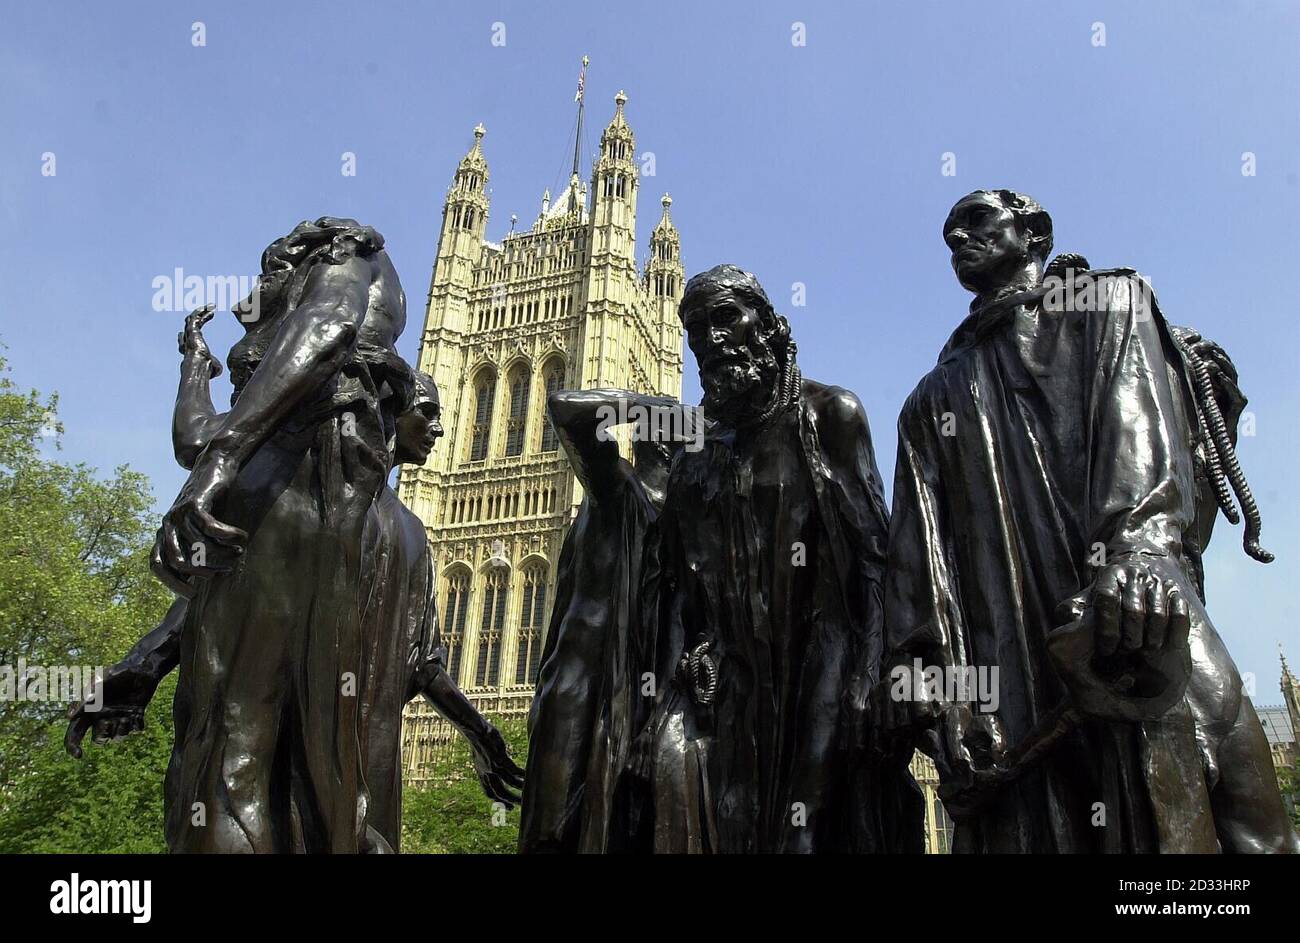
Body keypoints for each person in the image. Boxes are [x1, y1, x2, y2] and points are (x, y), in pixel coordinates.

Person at [883, 190, 1298, 852]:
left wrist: (1137, 553)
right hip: (1017, 676)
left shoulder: (1110, 303)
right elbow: (917, 569)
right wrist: (943, 697)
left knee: (1241, 806)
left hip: (1138, 615)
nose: (960, 237)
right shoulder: (927, 404)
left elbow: (1142, 441)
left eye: (977, 222)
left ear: (1035, 230)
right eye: (949, 234)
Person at [646, 264, 921, 853]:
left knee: (803, 834)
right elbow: (680, 589)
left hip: (823, 656)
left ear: (768, 326)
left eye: (726, 318)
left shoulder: (829, 415)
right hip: (737, 674)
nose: (711, 340)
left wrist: (873, 672)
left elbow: (878, 558)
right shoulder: (696, 458)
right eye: (695, 329)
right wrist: (695, 649)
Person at [519, 388, 695, 853]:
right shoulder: (615, 486)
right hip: (583, 697)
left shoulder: (680, 524)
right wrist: (645, 406)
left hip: (640, 708)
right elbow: (566, 411)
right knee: (556, 837)